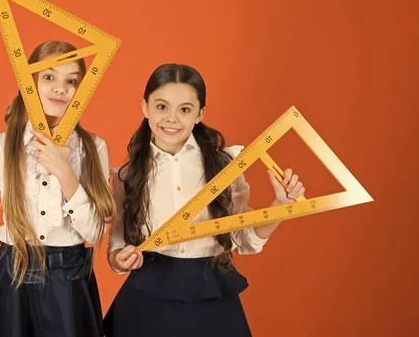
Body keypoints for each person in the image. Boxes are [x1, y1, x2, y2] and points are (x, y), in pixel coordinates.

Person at [104, 63, 305, 337]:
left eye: (184, 109)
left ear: (200, 114)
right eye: (162, 106)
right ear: (145, 107)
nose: (172, 119)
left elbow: (243, 238)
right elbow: (116, 242)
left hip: (211, 293)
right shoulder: (127, 175)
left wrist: (280, 207)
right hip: (146, 300)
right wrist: (119, 259)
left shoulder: (226, 166)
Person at [0, 41, 114, 337]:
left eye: (71, 81)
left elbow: (95, 232)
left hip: (68, 278)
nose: (60, 88)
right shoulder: (1, 144)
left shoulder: (93, 148)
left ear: (81, 90)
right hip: (12, 275)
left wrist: (63, 169)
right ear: (29, 83)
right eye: (49, 77)